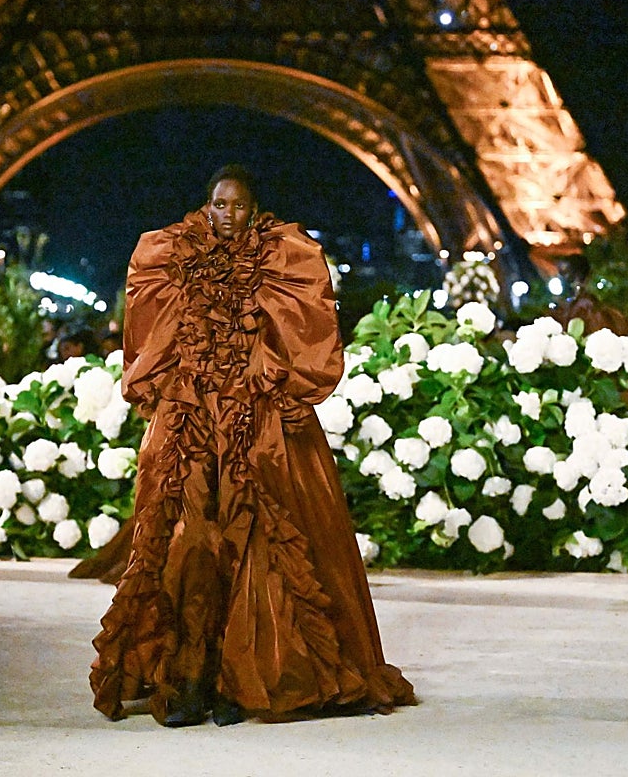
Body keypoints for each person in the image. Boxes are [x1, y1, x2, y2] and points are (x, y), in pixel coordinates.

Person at [88, 164, 416, 727]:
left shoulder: (283, 258)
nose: (228, 216)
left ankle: (241, 681)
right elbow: (149, 336)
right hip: (192, 418)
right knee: (191, 539)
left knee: (257, 543)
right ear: (206, 206)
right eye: (219, 205)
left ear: (254, 209)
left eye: (239, 206)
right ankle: (190, 674)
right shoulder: (169, 255)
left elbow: (306, 334)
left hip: (255, 418)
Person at [550, 255, 628, 336]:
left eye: (564, 273)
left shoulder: (586, 306)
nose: (561, 277)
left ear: (577, 275)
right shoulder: (572, 303)